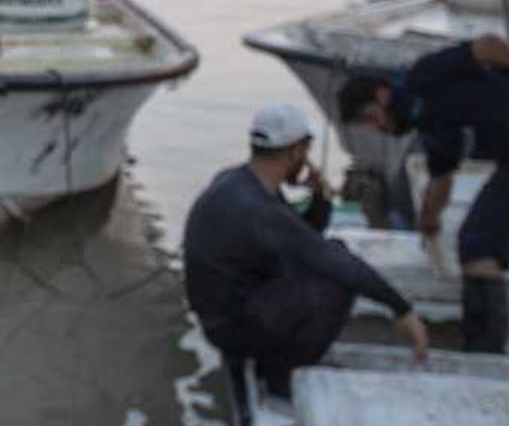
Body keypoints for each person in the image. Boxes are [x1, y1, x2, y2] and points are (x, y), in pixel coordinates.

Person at [184, 103, 428, 399]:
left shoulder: (238, 180)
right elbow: (330, 260)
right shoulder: (259, 208)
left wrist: (319, 198)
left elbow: (305, 239)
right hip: (230, 326)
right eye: (306, 150)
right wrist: (402, 308)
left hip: (226, 309)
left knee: (333, 253)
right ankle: (281, 376)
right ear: (294, 151)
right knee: (336, 283)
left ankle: (269, 359)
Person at [338, 35, 509, 353]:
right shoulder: (429, 123)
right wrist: (428, 220)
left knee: (478, 245)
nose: (377, 128)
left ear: (382, 94)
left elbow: (485, 45)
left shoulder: (424, 75)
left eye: (370, 117)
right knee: (479, 244)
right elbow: (441, 176)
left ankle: (483, 353)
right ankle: (482, 348)